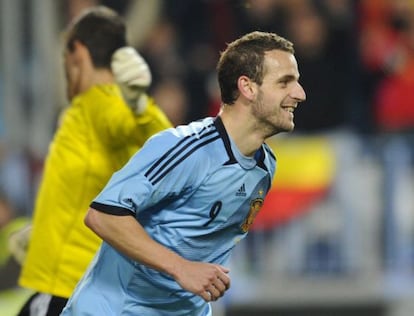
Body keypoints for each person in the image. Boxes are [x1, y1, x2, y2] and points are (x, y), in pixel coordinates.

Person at [62, 30, 306, 316]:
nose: (300, 94)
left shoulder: (266, 166)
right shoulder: (187, 149)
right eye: (285, 82)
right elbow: (103, 215)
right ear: (248, 88)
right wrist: (181, 269)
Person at [15, 6, 172, 315]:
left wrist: (140, 105)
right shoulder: (94, 108)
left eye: (65, 58)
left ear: (78, 52)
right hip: (86, 283)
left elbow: (161, 143)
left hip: (69, 284)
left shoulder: (101, 104)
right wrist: (43, 233)